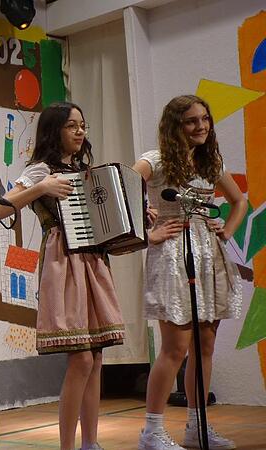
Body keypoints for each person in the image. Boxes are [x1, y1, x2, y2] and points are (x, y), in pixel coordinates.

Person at [0, 102, 126, 450]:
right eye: (71, 126)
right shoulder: (39, 171)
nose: (80, 132)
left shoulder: (86, 170)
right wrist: (41, 188)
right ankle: (67, 446)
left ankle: (90, 443)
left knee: (95, 356)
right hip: (62, 261)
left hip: (93, 262)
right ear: (54, 131)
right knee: (79, 357)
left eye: (83, 125)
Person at [134, 95, 245, 450]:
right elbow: (116, 191)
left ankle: (198, 426)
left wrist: (226, 230)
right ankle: (151, 431)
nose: (200, 127)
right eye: (191, 121)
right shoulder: (154, 161)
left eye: (205, 119)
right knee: (175, 347)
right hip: (172, 254)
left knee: (205, 344)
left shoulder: (209, 161)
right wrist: (147, 233)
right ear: (174, 125)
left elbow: (239, 200)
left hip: (208, 255)